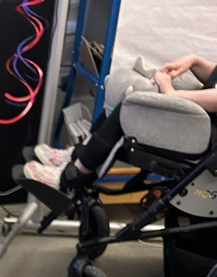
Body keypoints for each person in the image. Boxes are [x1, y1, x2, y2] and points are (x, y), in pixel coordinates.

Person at [24, 53, 217, 188]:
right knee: (129, 93)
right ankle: (79, 155)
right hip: (200, 125)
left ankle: (76, 174)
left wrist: (170, 92)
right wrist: (195, 61)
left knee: (134, 105)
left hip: (205, 138)